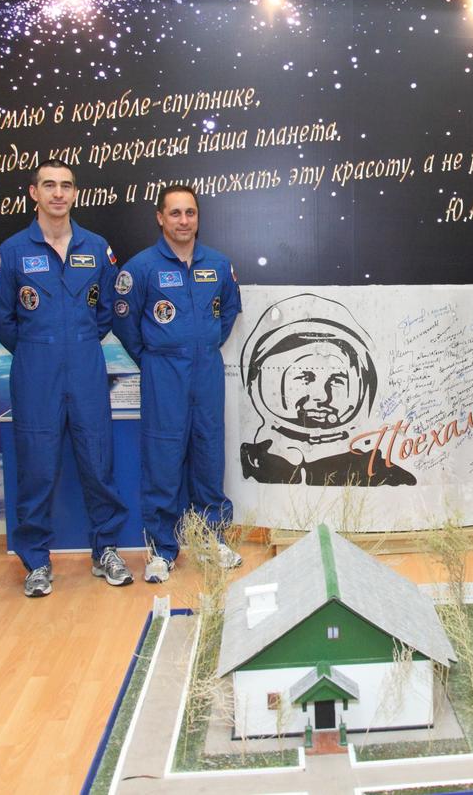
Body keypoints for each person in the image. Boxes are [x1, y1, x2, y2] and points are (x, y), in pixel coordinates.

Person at [0, 160, 132, 597]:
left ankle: (106, 550)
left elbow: (107, 310)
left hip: (86, 366)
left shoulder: (96, 248)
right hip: (36, 370)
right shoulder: (12, 252)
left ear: (75, 193)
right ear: (34, 193)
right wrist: (38, 346)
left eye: (66, 185)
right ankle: (36, 561)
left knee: (98, 462)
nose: (58, 193)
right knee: (36, 468)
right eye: (49, 185)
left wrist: (77, 341)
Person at [112, 184, 242, 583]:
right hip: (163, 373)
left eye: (190, 213)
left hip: (206, 371)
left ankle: (211, 539)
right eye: (175, 213)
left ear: (197, 217)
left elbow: (228, 311)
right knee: (163, 460)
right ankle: (162, 550)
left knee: (209, 453)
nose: (184, 221)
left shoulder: (218, 264)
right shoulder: (141, 268)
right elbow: (124, 322)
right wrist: (154, 357)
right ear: (160, 217)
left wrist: (203, 344)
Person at [238, 293, 415, 486]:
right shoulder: (248, 465)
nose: (322, 396)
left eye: (337, 379)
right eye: (304, 377)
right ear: (257, 383)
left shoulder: (383, 476)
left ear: (363, 389)